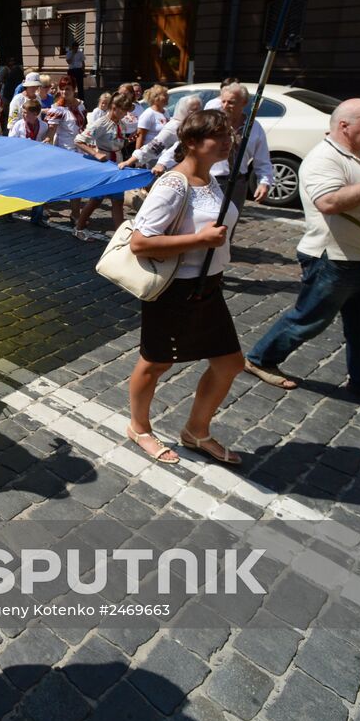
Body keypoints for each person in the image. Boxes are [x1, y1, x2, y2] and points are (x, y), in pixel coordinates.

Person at [245, 99, 360, 408]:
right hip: (333, 258)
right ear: (344, 126)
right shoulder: (323, 159)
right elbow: (329, 202)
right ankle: (260, 358)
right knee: (310, 319)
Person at [125, 111, 244, 466]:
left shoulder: (209, 178)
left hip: (209, 287)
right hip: (175, 290)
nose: (227, 141)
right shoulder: (173, 185)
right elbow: (140, 242)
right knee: (155, 363)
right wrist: (200, 239)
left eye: (228, 135)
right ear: (191, 143)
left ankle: (196, 430)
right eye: (217, 136)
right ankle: (139, 427)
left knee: (229, 363)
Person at [157, 83, 273, 210]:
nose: (225, 106)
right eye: (223, 101)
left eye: (231, 102)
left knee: (230, 222)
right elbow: (184, 145)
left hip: (238, 184)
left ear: (244, 103)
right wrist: (163, 163)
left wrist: (264, 182)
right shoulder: (211, 123)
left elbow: (262, 159)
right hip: (210, 180)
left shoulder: (254, 127)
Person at [73, 92, 131, 240]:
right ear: (114, 107)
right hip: (104, 166)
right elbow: (79, 140)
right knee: (96, 200)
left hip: (117, 165)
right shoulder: (100, 123)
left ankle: (119, 235)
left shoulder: (121, 124)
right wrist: (96, 154)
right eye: (123, 110)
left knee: (118, 200)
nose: (125, 114)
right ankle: (79, 227)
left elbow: (119, 142)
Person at [135, 85, 170, 150]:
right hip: (151, 156)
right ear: (156, 98)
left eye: (167, 95)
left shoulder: (166, 112)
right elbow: (140, 136)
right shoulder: (148, 114)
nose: (168, 97)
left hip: (163, 154)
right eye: (165, 95)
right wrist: (138, 156)